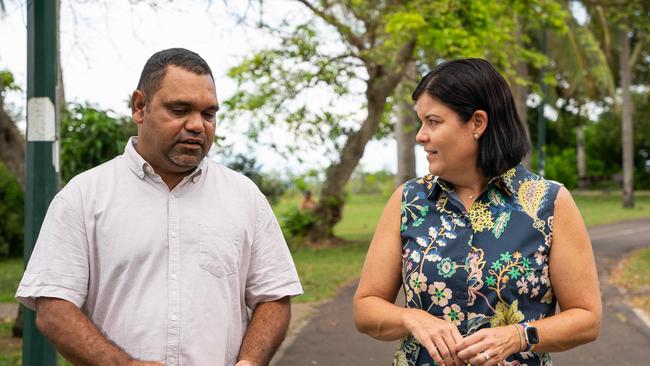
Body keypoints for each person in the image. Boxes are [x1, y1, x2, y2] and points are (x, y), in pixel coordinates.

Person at [16, 48, 303, 366]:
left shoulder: (244, 197)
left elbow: (274, 297)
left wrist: (250, 361)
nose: (197, 125)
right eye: (180, 110)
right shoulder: (83, 197)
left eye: (208, 114)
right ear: (140, 106)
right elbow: (53, 308)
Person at [353, 58, 601, 366]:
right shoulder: (408, 201)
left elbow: (587, 318)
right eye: (421, 122)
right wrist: (411, 318)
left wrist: (518, 336)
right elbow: (366, 307)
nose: (420, 135)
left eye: (433, 121)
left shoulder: (549, 202)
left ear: (477, 123)